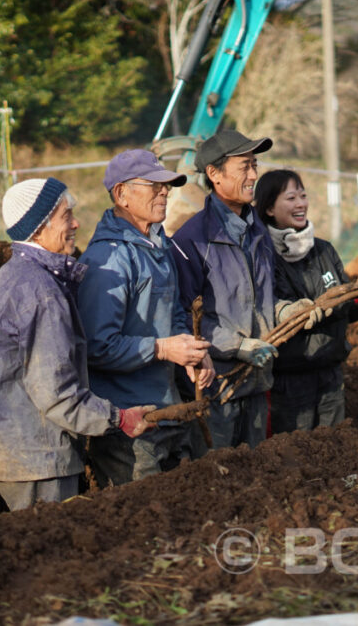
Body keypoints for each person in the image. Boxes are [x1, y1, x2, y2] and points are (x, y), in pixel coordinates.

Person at [0, 177, 156, 511]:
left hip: (6, 451)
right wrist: (117, 419)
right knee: (48, 555)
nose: (76, 223)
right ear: (39, 228)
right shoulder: (42, 292)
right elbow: (57, 394)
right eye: (67, 216)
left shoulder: (9, 277)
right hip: (35, 457)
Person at [170, 130, 322, 449]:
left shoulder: (257, 233)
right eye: (244, 167)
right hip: (217, 390)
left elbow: (261, 299)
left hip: (257, 383)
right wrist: (238, 345)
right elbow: (182, 316)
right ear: (214, 174)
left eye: (255, 165)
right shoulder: (192, 240)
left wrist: (287, 310)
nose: (254, 175)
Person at [77, 149, 215, 486]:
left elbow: (174, 314)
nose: (165, 192)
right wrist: (164, 350)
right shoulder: (107, 260)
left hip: (168, 412)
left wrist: (192, 351)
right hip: (131, 425)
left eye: (166, 185)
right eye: (153, 185)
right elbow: (97, 347)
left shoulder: (158, 246)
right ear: (122, 194)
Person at [254, 169, 358, 433]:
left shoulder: (323, 250)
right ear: (270, 209)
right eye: (291, 198)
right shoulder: (263, 257)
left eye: (303, 196)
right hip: (289, 384)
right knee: (295, 459)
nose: (301, 204)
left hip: (330, 375)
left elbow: (345, 308)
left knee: (335, 451)